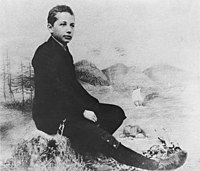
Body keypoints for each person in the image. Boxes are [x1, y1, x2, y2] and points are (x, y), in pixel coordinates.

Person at [32, 5, 186, 170]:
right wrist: (81, 111)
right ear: (50, 27)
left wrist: (93, 105)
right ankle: (155, 166)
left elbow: (73, 87)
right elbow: (57, 91)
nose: (69, 29)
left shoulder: (63, 51)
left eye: (72, 25)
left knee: (114, 113)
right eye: (63, 24)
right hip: (51, 117)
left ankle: (88, 150)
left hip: (67, 110)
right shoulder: (44, 54)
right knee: (100, 135)